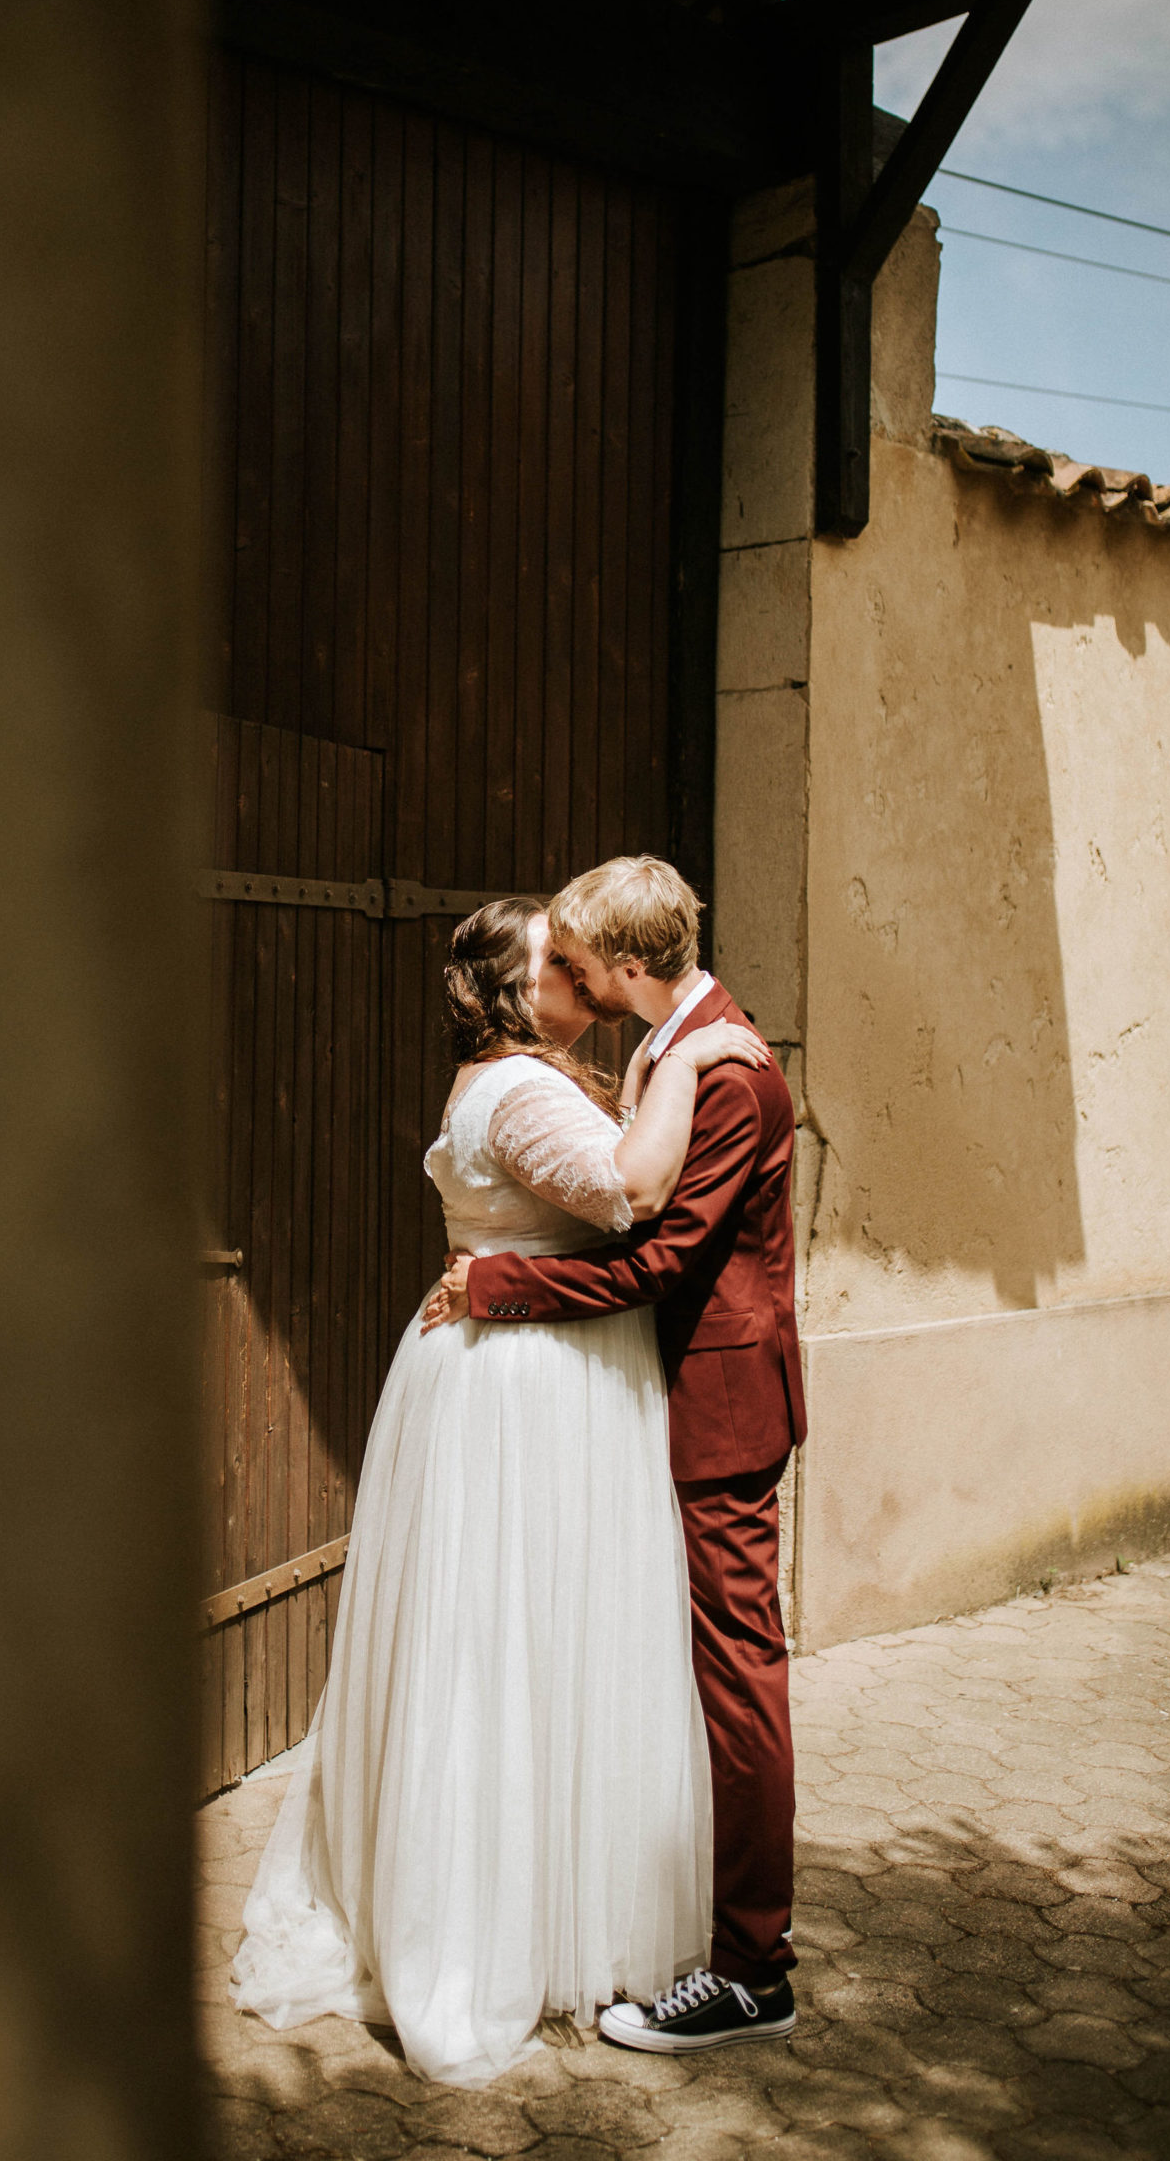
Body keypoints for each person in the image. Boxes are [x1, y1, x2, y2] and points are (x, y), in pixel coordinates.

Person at [231, 894, 770, 2086]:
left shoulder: (532, 1075)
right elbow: (629, 1191)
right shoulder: (522, 1088)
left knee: (540, 1646)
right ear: (513, 990)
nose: (577, 973)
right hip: (531, 1393)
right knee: (509, 1650)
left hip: (538, 1375)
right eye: (555, 961)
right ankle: (482, 1932)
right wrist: (696, 1051)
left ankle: (540, 1899)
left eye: (582, 959)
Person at [433, 855, 805, 2056]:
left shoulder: (729, 1071)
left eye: (577, 957)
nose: (570, 976)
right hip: (665, 1394)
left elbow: (657, 1261)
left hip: (720, 1406)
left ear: (628, 966)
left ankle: (753, 1968)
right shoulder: (667, 1044)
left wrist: (499, 1281)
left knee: (739, 1675)